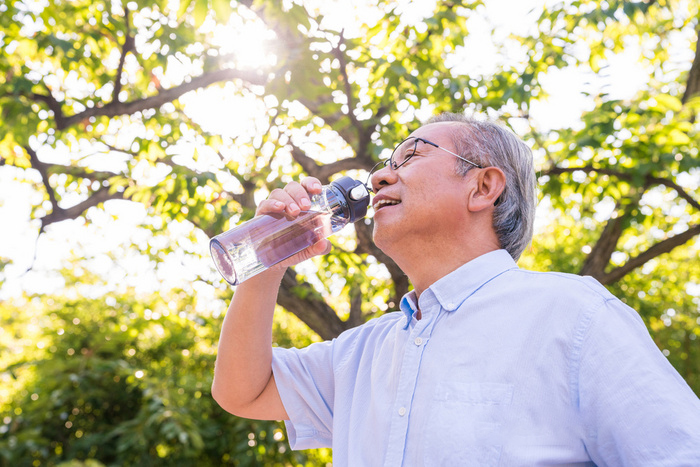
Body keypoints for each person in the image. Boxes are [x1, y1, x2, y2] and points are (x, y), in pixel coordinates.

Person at [211, 113, 700, 466]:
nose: (380, 174)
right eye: (386, 162)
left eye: (412, 156)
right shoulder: (361, 353)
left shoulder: (574, 316)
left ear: (483, 187)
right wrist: (267, 260)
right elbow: (244, 392)